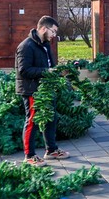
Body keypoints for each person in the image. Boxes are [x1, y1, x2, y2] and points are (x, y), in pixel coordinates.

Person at [15, 15, 70, 167]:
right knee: (32, 121)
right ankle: (29, 156)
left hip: (46, 88)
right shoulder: (26, 46)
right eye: (53, 31)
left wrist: (58, 72)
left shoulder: (45, 45)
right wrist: (46, 71)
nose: (54, 35)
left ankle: (51, 150)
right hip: (32, 90)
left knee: (51, 117)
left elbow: (50, 65)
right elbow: (24, 70)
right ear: (44, 28)